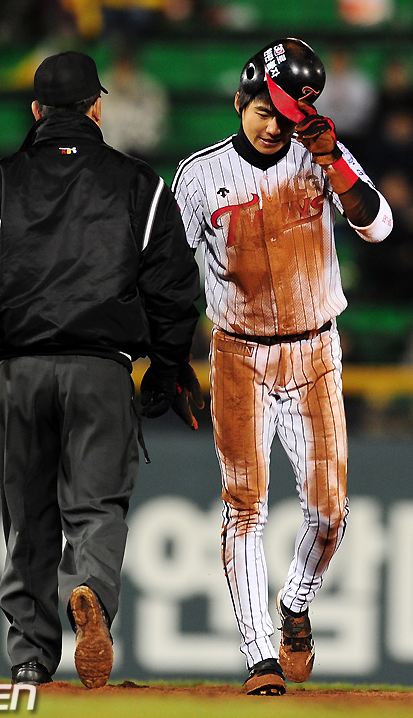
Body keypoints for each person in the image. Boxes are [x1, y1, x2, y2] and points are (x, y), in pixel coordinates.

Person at [0, 50, 201, 688]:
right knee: (97, 506)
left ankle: (30, 654)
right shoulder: (139, 184)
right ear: (97, 107)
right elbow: (173, 285)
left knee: (28, 514)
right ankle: (90, 592)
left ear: (36, 110)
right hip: (102, 370)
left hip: (21, 370)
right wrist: (166, 366)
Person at [172, 38, 393, 695]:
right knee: (245, 507)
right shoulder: (199, 175)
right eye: (264, 111)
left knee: (330, 513)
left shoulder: (321, 154)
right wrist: (169, 355)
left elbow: (379, 226)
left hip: (315, 350)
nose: (274, 125)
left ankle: (296, 601)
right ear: (241, 101)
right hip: (237, 353)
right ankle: (259, 656)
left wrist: (334, 162)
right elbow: (168, 273)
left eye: (286, 115)